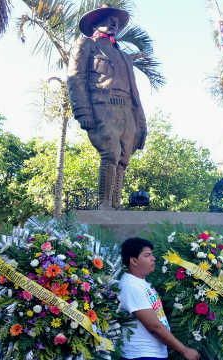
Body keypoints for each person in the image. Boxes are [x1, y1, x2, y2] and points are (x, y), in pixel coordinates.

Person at [67, 4, 147, 210]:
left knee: (123, 159)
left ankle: (115, 204)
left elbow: (135, 92)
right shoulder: (86, 45)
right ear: (95, 23)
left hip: (127, 110)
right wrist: (82, 111)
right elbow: (76, 79)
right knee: (110, 153)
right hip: (102, 106)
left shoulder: (124, 57)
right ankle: (103, 203)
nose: (114, 23)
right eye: (108, 19)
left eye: (116, 21)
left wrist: (141, 122)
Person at [118, 237, 200, 360]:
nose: (153, 259)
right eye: (147, 255)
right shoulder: (131, 285)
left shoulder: (141, 283)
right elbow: (154, 326)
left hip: (152, 355)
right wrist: (184, 350)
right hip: (142, 358)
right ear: (133, 261)